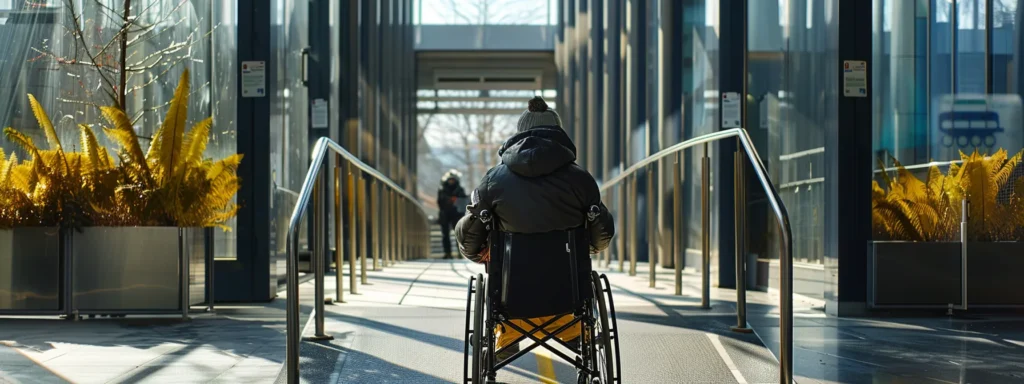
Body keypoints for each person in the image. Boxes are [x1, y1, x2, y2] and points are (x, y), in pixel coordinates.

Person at [455, 96, 615, 361]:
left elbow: (469, 240)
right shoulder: (580, 179)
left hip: (512, 302)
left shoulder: (495, 180)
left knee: (497, 265)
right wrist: (591, 246)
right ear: (559, 133)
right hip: (567, 301)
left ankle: (507, 337)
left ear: (519, 134)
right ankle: (576, 334)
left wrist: (479, 250)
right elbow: (602, 235)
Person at [437, 170, 468, 259]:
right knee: (445, 234)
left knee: (458, 234)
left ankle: (460, 253)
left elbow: (463, 201)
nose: (451, 182)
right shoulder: (442, 189)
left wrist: (456, 200)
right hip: (445, 214)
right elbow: (440, 202)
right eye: (450, 180)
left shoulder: (460, 189)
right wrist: (449, 200)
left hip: (457, 214)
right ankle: (447, 253)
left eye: (453, 180)